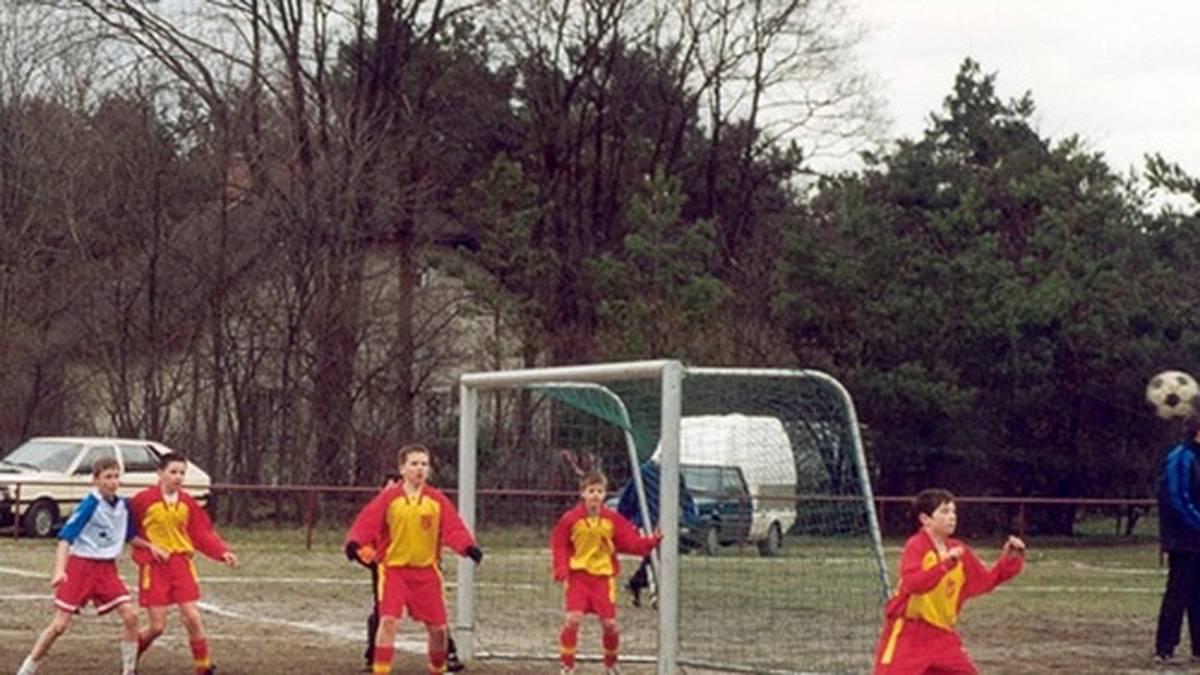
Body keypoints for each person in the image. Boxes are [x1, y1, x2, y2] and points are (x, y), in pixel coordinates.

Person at [345, 443, 483, 675]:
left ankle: (438, 668)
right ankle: (380, 669)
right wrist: (354, 542)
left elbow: (453, 528)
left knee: (438, 629)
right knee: (388, 621)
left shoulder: (436, 500)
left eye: (424, 464)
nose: (420, 469)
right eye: (414, 464)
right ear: (402, 469)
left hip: (427, 572)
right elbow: (367, 522)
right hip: (394, 571)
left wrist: (468, 547)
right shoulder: (389, 498)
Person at [873, 488, 1025, 675]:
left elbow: (986, 581)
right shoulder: (916, 546)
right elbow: (913, 584)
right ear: (925, 519)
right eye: (945, 511)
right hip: (909, 633)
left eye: (954, 511)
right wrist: (945, 565)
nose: (952, 517)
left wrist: (1010, 559)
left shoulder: (959, 549)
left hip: (942, 636)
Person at [17, 456, 144, 675]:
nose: (113, 482)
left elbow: (130, 536)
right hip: (81, 568)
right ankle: (28, 668)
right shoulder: (89, 505)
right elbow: (65, 538)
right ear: (95, 480)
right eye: (107, 477)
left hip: (106, 570)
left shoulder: (124, 506)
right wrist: (59, 570)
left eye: (116, 477)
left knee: (131, 615)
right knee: (59, 626)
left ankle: (129, 670)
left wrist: (152, 548)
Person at [130, 451, 239, 675]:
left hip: (181, 564)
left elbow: (202, 532)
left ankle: (203, 668)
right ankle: (129, 661)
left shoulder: (188, 502)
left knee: (192, 616)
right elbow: (128, 532)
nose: (178, 477)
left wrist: (222, 552)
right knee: (157, 626)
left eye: (182, 473)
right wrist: (147, 548)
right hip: (154, 566)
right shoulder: (142, 500)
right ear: (160, 473)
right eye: (173, 472)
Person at [551, 469, 663, 675]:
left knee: (610, 625)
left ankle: (611, 664)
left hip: (603, 579)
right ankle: (567, 665)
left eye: (600, 491)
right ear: (582, 493)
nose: (595, 495)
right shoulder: (570, 519)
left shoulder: (613, 519)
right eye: (591, 490)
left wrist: (651, 542)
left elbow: (630, 542)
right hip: (578, 578)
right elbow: (559, 544)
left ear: (604, 494)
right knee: (572, 620)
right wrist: (560, 568)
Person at [356, 471, 466, 673]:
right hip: (389, 568)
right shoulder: (382, 509)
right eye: (388, 487)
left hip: (423, 567)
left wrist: (461, 546)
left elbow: (446, 530)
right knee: (383, 615)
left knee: (436, 619)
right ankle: (374, 659)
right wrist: (367, 556)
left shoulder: (427, 503)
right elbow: (363, 536)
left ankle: (447, 655)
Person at [614, 460, 699, 608]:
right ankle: (656, 595)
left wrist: (688, 518)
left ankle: (635, 583)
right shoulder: (644, 472)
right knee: (652, 555)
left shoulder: (675, 474)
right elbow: (629, 495)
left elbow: (684, 497)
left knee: (658, 557)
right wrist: (624, 517)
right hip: (645, 521)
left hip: (666, 523)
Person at [1155, 418, 1200, 663]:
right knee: (1179, 591)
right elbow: (1177, 498)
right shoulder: (1180, 457)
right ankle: (1165, 646)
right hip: (1183, 539)